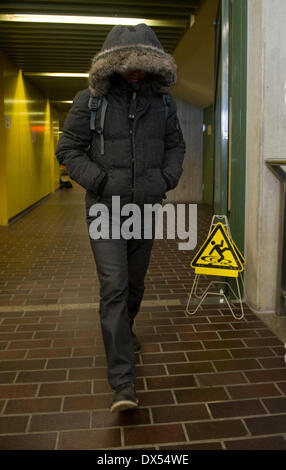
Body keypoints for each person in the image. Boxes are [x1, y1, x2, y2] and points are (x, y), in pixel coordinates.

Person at [55, 23, 186, 412]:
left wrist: (165, 178)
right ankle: (123, 384)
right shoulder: (89, 101)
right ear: (111, 65)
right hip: (104, 211)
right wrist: (100, 181)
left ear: (154, 66)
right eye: (126, 63)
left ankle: (125, 330)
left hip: (144, 207)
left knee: (134, 285)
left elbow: (175, 145)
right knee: (113, 287)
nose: (134, 71)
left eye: (142, 64)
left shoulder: (163, 104)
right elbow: (68, 149)